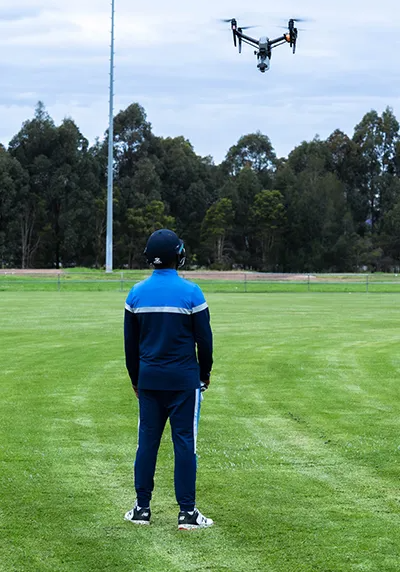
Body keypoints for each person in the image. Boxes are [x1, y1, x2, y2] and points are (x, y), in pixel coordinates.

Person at [123, 229, 214, 530]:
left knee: (146, 443)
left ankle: (141, 509)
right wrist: (204, 373)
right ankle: (187, 513)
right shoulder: (192, 293)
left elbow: (130, 346)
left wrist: (136, 380)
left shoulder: (135, 293)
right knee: (185, 444)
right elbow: (205, 340)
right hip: (184, 381)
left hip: (149, 381)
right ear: (179, 255)